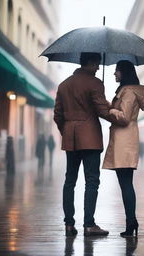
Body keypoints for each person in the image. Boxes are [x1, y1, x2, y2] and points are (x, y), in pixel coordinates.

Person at [54, 52, 112, 237]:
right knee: (92, 181)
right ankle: (89, 224)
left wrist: (67, 131)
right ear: (90, 62)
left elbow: (58, 115)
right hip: (90, 139)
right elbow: (102, 110)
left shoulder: (63, 85)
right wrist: (118, 113)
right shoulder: (95, 83)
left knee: (69, 180)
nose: (98, 68)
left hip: (71, 138)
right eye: (97, 64)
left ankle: (69, 224)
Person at [102, 60, 144, 237]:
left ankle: (131, 223)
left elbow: (125, 117)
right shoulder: (128, 91)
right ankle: (131, 222)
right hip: (125, 139)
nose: (114, 74)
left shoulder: (128, 92)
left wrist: (110, 110)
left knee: (126, 184)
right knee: (126, 183)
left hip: (125, 140)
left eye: (117, 71)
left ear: (124, 72)